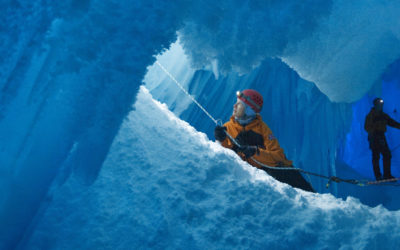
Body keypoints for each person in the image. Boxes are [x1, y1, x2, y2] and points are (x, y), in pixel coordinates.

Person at [215, 89, 314, 192]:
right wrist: (221, 140)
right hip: (254, 176)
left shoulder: (262, 129)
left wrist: (255, 152)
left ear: (249, 110)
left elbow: (278, 156)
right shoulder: (227, 127)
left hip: (280, 173)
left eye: (239, 105)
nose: (234, 106)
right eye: (236, 103)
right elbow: (227, 154)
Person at [364, 97, 400, 181]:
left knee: (386, 155)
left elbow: (392, 123)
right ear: (375, 105)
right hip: (374, 137)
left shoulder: (383, 116)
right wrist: (374, 128)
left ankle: (386, 175)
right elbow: (366, 127)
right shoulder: (371, 115)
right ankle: (378, 176)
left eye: (381, 104)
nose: (380, 106)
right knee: (376, 156)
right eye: (379, 104)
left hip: (381, 136)